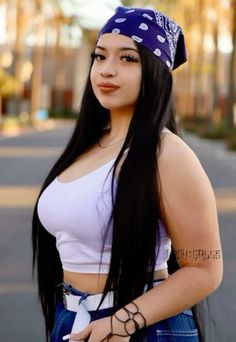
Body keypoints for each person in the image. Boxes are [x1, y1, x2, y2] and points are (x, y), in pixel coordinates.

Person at [32, 6, 223, 342]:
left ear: (155, 71)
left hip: (142, 326)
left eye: (128, 59)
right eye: (100, 56)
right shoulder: (86, 146)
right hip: (73, 319)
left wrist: (122, 322)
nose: (107, 70)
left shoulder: (167, 153)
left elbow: (205, 268)